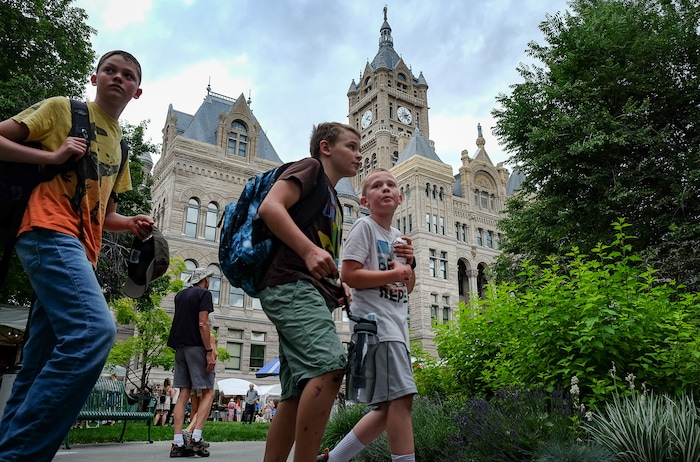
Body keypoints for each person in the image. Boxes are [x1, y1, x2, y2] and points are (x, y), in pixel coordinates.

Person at [0, 50, 152, 462]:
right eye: (110, 70)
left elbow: (106, 213)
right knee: (94, 332)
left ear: (138, 92)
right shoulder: (61, 110)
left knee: (38, 364)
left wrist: (130, 222)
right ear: (94, 77)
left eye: (128, 75)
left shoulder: (121, 146)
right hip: (47, 230)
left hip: (82, 250)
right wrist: (50, 157)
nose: (118, 78)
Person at [256, 122, 361, 462]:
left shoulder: (335, 201)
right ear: (326, 147)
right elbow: (270, 208)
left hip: (309, 290)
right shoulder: (310, 168)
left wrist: (337, 285)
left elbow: (321, 252)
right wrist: (308, 252)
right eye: (352, 146)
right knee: (329, 367)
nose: (360, 155)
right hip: (290, 285)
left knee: (294, 392)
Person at [318, 168, 417, 462]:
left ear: (400, 198)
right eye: (376, 186)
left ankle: (333, 460)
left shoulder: (399, 237)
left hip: (398, 328)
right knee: (401, 399)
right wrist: (397, 271)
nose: (384, 189)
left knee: (388, 407)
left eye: (390, 185)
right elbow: (348, 274)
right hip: (378, 326)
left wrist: (408, 264)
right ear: (364, 199)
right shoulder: (364, 227)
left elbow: (407, 287)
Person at [167, 267, 216, 458]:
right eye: (209, 278)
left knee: (183, 392)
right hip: (197, 346)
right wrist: (209, 351)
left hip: (179, 346)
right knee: (208, 392)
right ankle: (196, 438)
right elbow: (203, 323)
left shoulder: (180, 295)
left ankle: (178, 442)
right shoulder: (204, 294)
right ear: (204, 279)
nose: (210, 281)